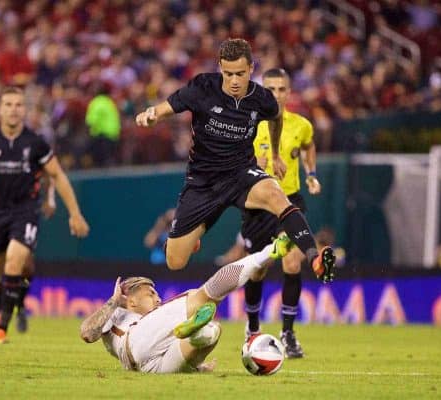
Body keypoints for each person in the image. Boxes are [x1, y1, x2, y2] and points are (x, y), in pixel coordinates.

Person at [135, 38, 335, 284]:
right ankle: (194, 233)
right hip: (202, 182)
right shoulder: (203, 87)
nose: (234, 81)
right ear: (220, 67)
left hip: (241, 174)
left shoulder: (261, 98)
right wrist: (152, 114)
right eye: (228, 73)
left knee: (276, 195)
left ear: (251, 68)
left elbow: (276, 119)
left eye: (240, 73)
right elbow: (167, 106)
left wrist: (273, 154)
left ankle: (314, 255)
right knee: (175, 262)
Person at [0, 86, 90, 344]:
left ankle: (1, 329)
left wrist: (75, 213)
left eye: (18, 105)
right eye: (8, 104)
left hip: (25, 210)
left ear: (25, 109)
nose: (13, 110)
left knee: (15, 263)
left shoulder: (35, 143)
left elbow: (57, 176)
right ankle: (1, 314)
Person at [80, 235, 295, 373]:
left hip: (150, 367)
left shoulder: (149, 319)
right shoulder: (116, 312)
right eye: (151, 294)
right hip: (136, 341)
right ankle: (268, 252)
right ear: (131, 299)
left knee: (212, 331)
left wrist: (199, 368)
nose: (158, 299)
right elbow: (87, 333)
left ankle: (195, 335)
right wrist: (114, 301)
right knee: (202, 295)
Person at [240, 68, 322, 358]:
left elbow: (309, 146)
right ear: (263, 91)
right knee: (258, 268)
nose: (276, 94)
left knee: (292, 261)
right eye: (270, 89)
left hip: (289, 200)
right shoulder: (248, 124)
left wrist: (311, 173)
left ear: (289, 92)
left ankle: (287, 333)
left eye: (281, 89)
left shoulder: (301, 125)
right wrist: (254, 165)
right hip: (259, 202)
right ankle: (252, 329)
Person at [0, 177, 56, 333]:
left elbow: (51, 176)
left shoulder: (27, 200)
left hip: (19, 228)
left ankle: (19, 305)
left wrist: (50, 198)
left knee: (27, 267)